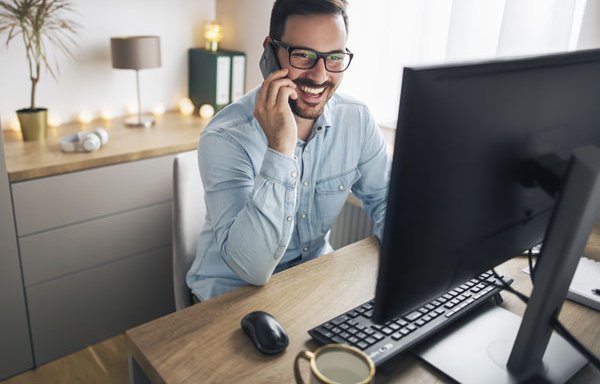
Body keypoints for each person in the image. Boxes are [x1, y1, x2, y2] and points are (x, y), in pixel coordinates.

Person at [186, 0, 390, 301]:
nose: (320, 76)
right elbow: (252, 270)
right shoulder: (225, 136)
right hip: (228, 296)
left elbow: (387, 199)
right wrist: (280, 146)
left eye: (334, 57)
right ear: (270, 51)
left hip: (311, 283)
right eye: (303, 55)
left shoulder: (356, 118)